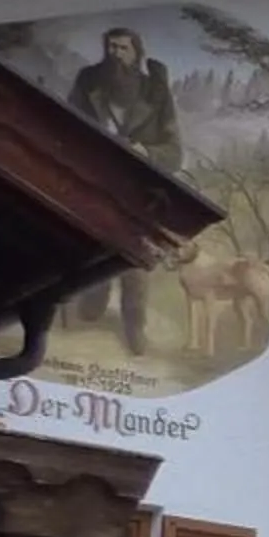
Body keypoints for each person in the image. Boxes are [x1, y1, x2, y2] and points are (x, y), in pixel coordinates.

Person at [65, 27, 182, 353]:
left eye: (124, 48)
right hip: (93, 179)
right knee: (86, 246)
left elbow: (174, 151)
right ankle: (91, 301)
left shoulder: (155, 94)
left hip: (138, 191)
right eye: (111, 47)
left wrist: (148, 152)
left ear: (137, 53)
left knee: (136, 259)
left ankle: (135, 326)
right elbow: (67, 127)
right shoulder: (88, 84)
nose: (116, 54)